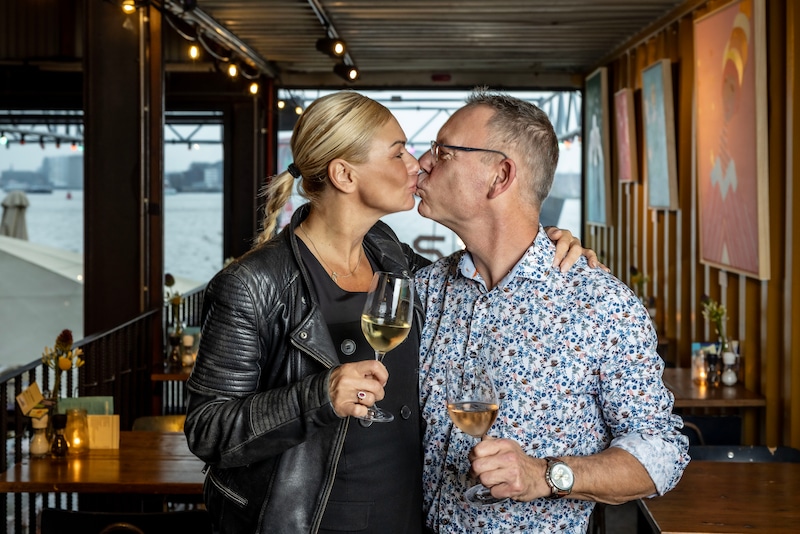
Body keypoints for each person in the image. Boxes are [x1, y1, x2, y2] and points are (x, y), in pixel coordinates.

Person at [183, 90, 593, 534]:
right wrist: (318, 396)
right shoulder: (252, 283)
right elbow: (207, 430)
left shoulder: (392, 255)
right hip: (313, 523)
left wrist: (545, 245)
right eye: (398, 153)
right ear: (344, 174)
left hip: (404, 517)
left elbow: (484, 263)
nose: (417, 165)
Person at [415, 89, 690, 533]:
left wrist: (546, 475)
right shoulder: (423, 291)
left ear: (500, 176)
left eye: (443, 152)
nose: (423, 162)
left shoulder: (601, 305)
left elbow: (663, 452)